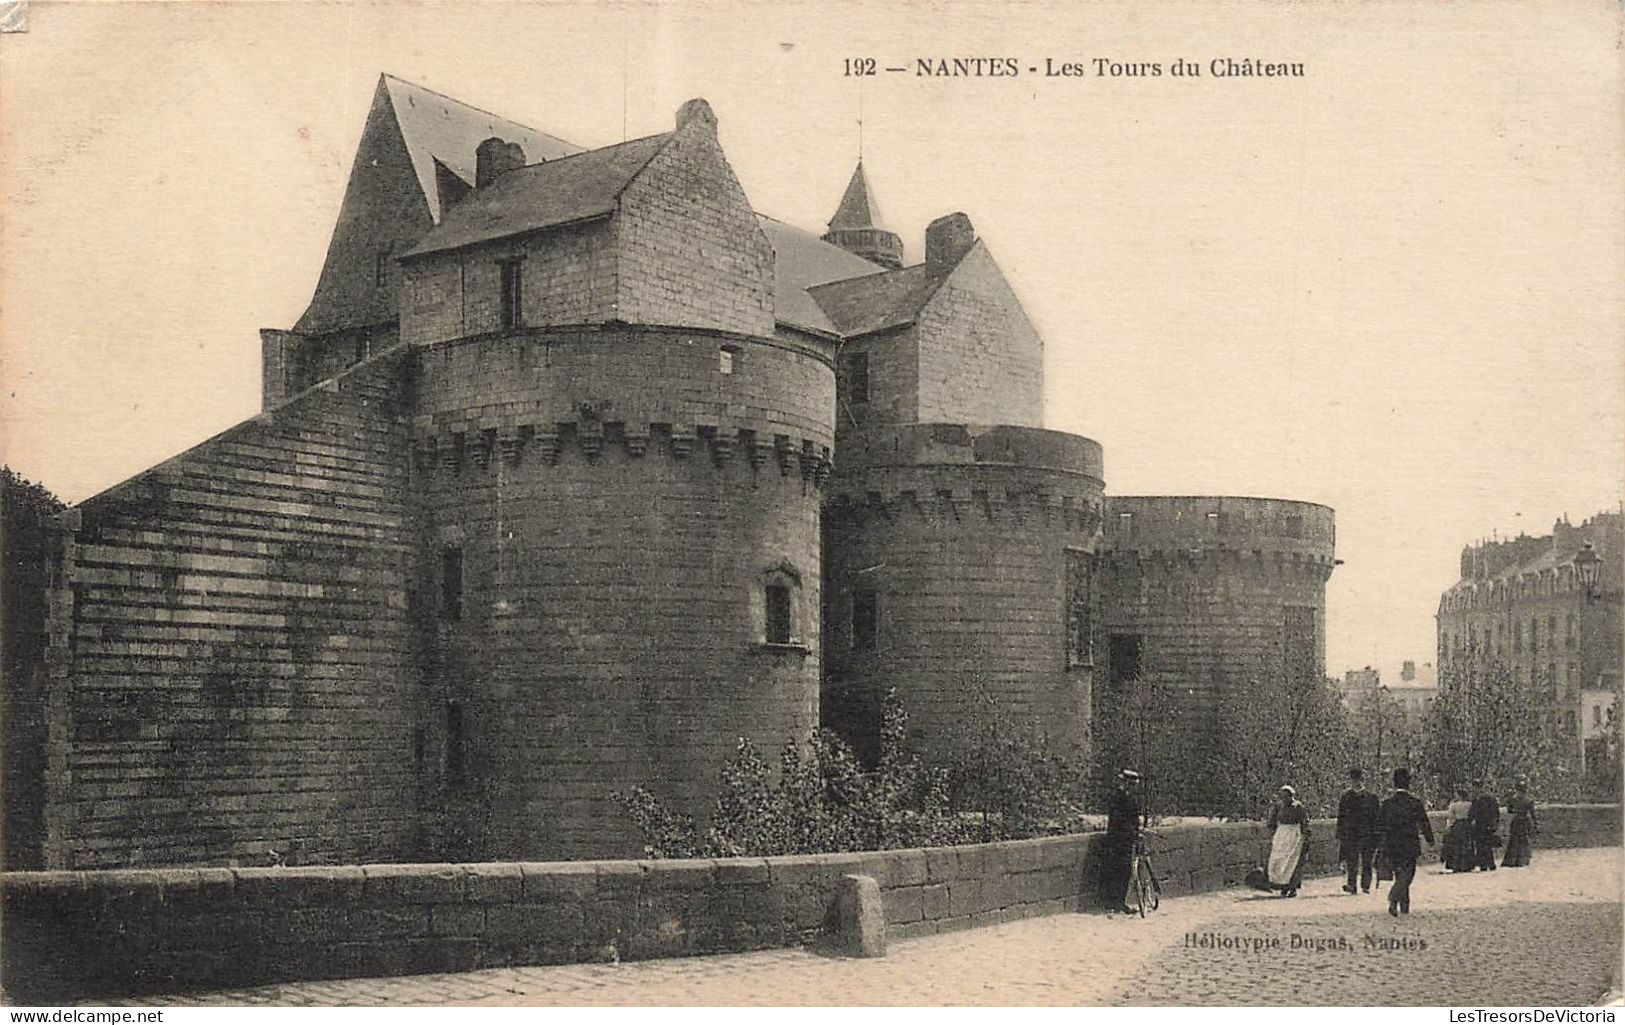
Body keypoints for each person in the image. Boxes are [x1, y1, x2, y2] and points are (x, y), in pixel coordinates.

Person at [1377, 766, 1435, 916]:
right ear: (1408, 783)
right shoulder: (1414, 802)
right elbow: (1424, 822)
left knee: (1399, 874)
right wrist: (1430, 839)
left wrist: (1380, 844)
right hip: (1409, 844)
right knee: (1408, 874)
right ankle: (1394, 897)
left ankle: (1404, 905)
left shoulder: (1387, 803)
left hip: (1392, 844)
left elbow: (1380, 825)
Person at [1099, 769, 1143, 913]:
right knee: (1120, 870)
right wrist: (1132, 831)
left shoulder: (1127, 796)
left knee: (1122, 870)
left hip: (1124, 838)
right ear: (1128, 783)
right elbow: (1119, 819)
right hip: (1119, 839)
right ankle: (1116, 903)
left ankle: (1117, 902)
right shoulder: (1119, 797)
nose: (1135, 786)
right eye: (1132, 783)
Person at [1337, 768, 1381, 894]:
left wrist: (1378, 837)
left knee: (1367, 861)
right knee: (1352, 861)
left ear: (1363, 781)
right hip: (1351, 835)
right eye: (1353, 780)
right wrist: (1340, 833)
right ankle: (1352, 885)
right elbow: (1341, 817)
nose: (1356, 783)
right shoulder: (1346, 797)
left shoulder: (1372, 798)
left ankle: (1365, 885)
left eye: (1359, 780)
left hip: (1368, 835)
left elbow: (1377, 818)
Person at [1265, 785, 1310, 897]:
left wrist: (1304, 835)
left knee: (1292, 861)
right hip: (1282, 834)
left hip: (1294, 834)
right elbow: (1271, 820)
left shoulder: (1298, 807)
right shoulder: (1279, 806)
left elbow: (1304, 822)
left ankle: (1292, 887)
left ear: (1291, 796)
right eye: (1282, 796)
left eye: (1286, 796)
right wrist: (1274, 832)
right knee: (1279, 860)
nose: (1284, 799)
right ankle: (1282, 886)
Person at [1502, 778, 1538, 867]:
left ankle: (1512, 860)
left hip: (1516, 819)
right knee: (1524, 840)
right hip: (1525, 819)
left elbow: (1509, 810)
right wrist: (1535, 824)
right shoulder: (1529, 800)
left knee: (1514, 840)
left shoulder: (1513, 799)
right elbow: (1533, 813)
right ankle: (1523, 860)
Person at [1468, 778, 1501, 872]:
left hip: (1480, 824)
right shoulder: (1490, 798)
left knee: (1481, 845)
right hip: (1487, 824)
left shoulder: (1478, 798)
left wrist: (1471, 820)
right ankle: (1489, 864)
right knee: (1487, 844)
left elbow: (1472, 812)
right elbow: (1496, 812)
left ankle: (1485, 864)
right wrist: (1495, 823)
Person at [1443, 784, 1474, 872]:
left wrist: (1448, 827)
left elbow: (1451, 817)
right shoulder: (1470, 804)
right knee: (1466, 845)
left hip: (1458, 825)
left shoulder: (1453, 805)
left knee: (1457, 846)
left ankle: (1456, 865)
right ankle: (1466, 865)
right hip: (1467, 825)